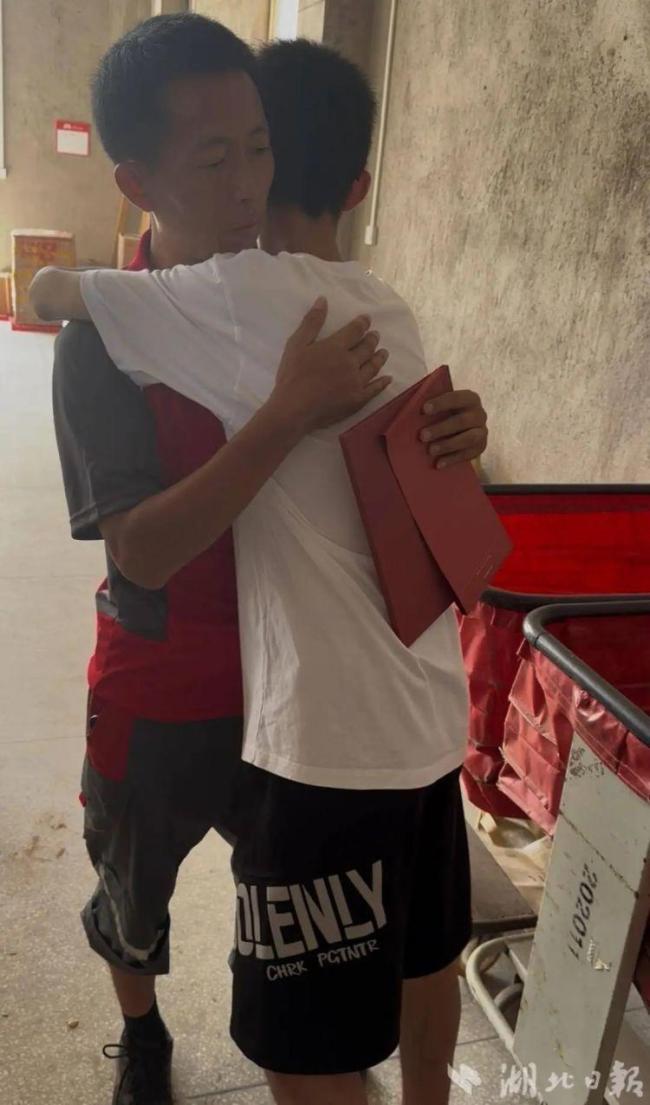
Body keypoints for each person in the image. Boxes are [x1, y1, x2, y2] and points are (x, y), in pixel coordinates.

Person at [42, 14, 488, 1105]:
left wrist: (447, 435)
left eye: (260, 147)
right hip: (168, 680)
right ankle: (141, 1032)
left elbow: (395, 486)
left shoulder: (301, 299)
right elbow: (141, 551)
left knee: (319, 954)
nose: (249, 185)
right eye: (215, 158)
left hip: (294, 706)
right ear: (139, 181)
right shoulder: (109, 340)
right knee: (134, 898)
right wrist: (287, 416)